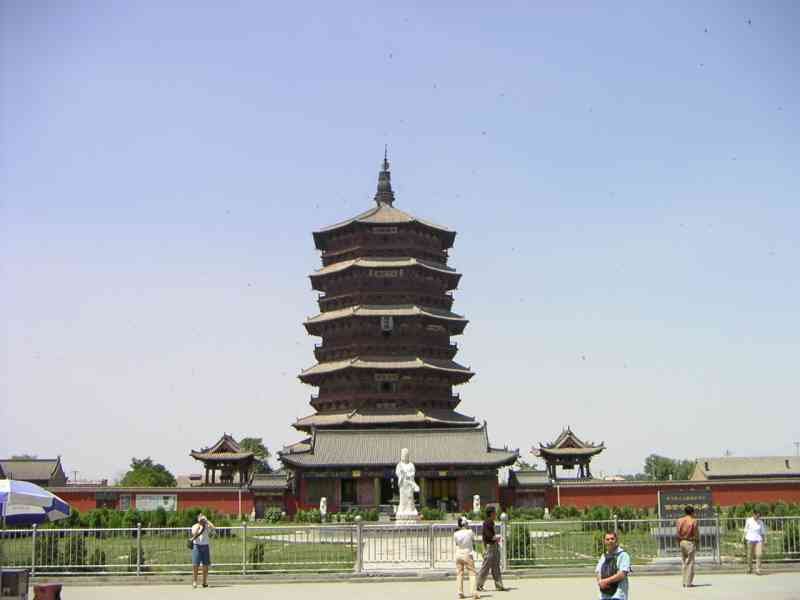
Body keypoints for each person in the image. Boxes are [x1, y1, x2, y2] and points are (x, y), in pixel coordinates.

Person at [476, 506, 505, 592]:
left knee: (496, 566)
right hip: (490, 546)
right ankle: (479, 584)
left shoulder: (491, 522)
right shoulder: (487, 522)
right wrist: (497, 537)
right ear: (491, 513)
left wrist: (496, 539)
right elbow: (488, 536)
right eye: (495, 512)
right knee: (486, 567)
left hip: (494, 545)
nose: (496, 514)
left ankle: (499, 585)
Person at [595, 531, 631, 600]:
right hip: (604, 595)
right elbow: (598, 572)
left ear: (616, 540)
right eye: (607, 539)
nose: (610, 541)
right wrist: (600, 582)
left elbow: (622, 574)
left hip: (618, 595)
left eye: (612, 539)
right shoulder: (603, 556)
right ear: (604, 542)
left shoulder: (623, 555)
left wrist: (605, 581)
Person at [454, 516, 480, 599]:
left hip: (458, 553)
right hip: (467, 553)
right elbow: (473, 540)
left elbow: (457, 544)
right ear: (465, 524)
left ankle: (460, 592)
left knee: (459, 573)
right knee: (472, 573)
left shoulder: (456, 533)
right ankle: (473, 592)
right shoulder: (470, 532)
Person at [190, 513, 216, 588]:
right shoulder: (194, 526)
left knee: (205, 565)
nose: (202, 520)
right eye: (200, 519)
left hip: (205, 546)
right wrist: (199, 526)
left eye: (203, 519)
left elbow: (214, 528)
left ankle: (204, 582)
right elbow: (194, 534)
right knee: (195, 565)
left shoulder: (207, 526)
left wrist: (207, 521)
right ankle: (195, 581)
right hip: (197, 546)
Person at [676, 505, 699, 587]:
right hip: (690, 542)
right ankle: (688, 582)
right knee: (690, 562)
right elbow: (695, 533)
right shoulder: (694, 521)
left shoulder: (679, 520)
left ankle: (684, 581)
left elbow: (677, 532)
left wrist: (679, 541)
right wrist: (697, 541)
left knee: (684, 562)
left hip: (682, 541)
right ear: (692, 512)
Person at [744, 510, 767, 575]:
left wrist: (765, 540)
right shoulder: (748, 520)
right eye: (757, 515)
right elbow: (745, 530)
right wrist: (743, 538)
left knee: (759, 555)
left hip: (758, 540)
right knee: (749, 555)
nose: (758, 517)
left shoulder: (760, 522)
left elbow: (763, 532)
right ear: (753, 514)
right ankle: (749, 568)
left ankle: (758, 570)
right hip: (750, 539)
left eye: (759, 516)